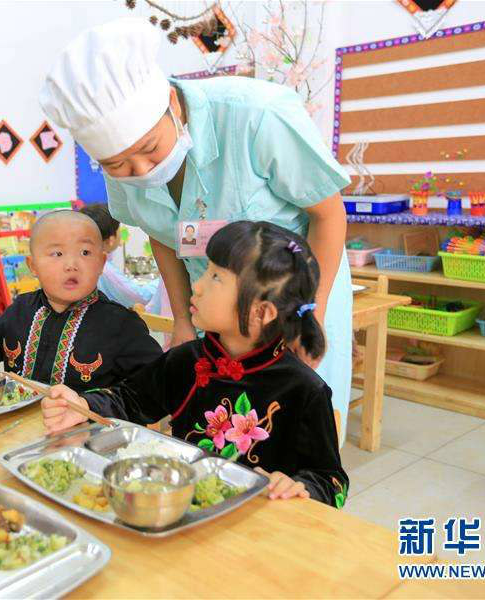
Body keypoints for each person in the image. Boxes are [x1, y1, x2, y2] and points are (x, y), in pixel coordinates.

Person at [40, 18, 355, 442]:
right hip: (216, 307)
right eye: (118, 165)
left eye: (150, 149)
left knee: (298, 432)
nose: (141, 171)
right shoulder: (124, 159)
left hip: (294, 300)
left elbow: (328, 213)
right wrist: (183, 321)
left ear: (171, 102)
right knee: (227, 428)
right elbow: (161, 232)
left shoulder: (258, 117)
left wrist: (309, 316)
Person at [41, 222, 348, 508]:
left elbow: (332, 482)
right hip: (184, 512)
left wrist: (298, 486)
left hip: (257, 536)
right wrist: (80, 403)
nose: (197, 286)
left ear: (261, 312)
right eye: (207, 271)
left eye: (216, 277)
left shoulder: (304, 389)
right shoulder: (187, 360)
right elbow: (130, 399)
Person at [0, 210, 162, 390]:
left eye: (85, 252)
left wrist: (96, 404)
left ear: (101, 263)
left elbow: (152, 388)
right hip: (21, 429)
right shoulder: (21, 308)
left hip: (87, 436)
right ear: (33, 266)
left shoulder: (122, 325)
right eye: (57, 254)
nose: (71, 264)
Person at [78, 203, 158, 309]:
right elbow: (140, 296)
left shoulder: (82, 261)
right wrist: (163, 281)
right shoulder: (103, 268)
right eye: (119, 229)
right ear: (111, 240)